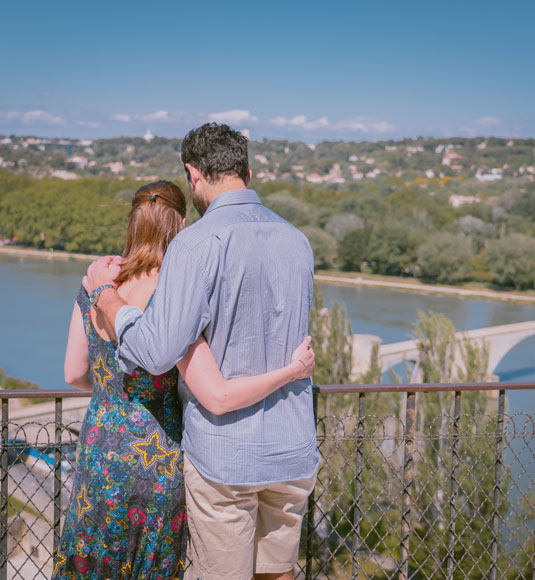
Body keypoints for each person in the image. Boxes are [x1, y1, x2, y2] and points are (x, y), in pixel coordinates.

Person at [84, 123, 320, 580]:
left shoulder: (195, 244)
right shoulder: (298, 240)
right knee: (279, 573)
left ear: (193, 173)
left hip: (226, 454)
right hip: (291, 446)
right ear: (247, 171)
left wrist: (108, 300)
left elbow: (155, 352)